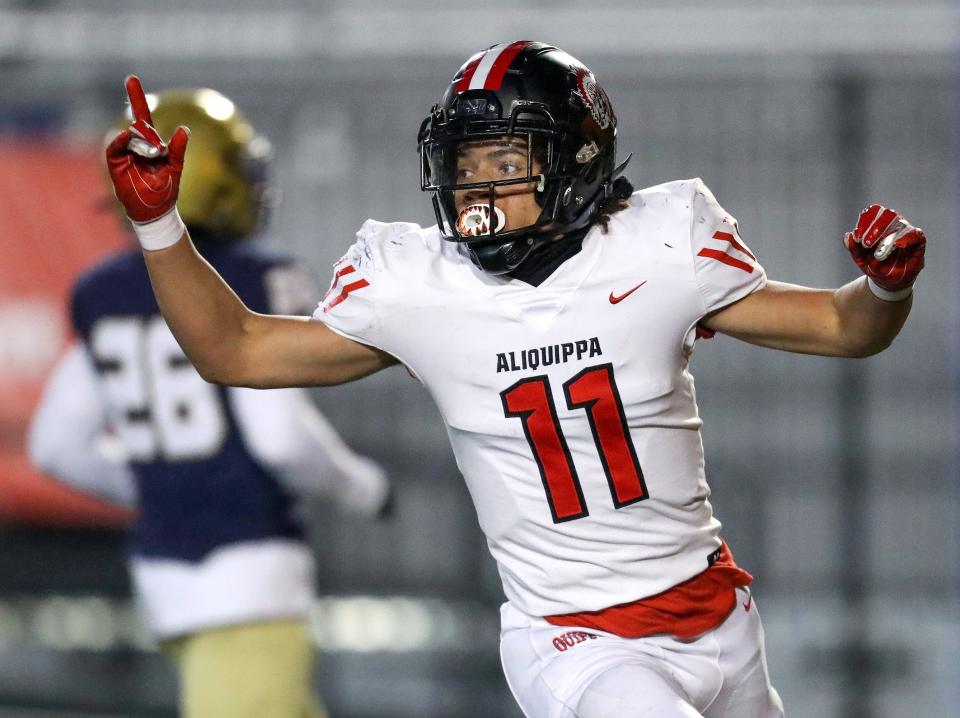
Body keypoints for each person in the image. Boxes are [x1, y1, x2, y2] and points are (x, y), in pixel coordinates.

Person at [103, 41, 925, 718]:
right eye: (465, 163)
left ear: (575, 158)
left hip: (718, 617)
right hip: (574, 640)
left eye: (505, 159)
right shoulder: (420, 286)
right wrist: (159, 225)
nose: (476, 188)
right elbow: (235, 350)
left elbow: (843, 327)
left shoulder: (661, 247)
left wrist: (884, 287)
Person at [30, 87, 392, 718]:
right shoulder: (257, 272)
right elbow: (277, 435)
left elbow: (55, 447)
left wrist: (165, 482)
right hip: (248, 568)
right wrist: (361, 485)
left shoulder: (102, 288)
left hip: (166, 579)